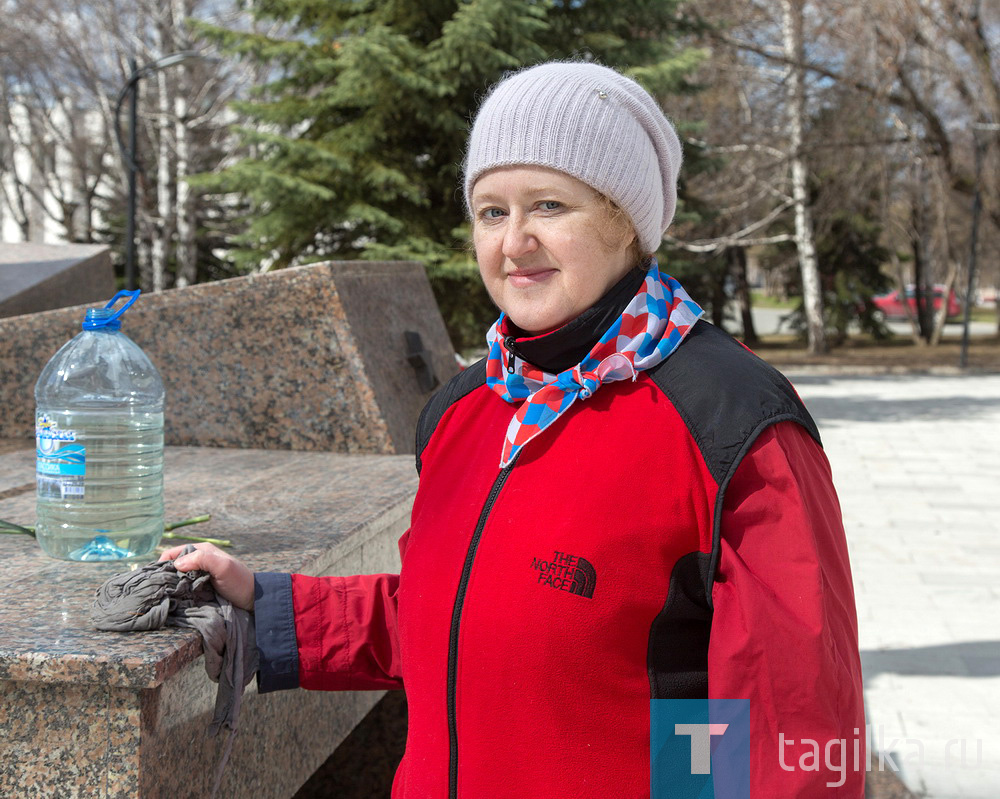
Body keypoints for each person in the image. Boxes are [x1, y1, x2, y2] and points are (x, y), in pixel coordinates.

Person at [162, 61, 865, 797]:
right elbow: (456, 613)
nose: (515, 240)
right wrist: (267, 604)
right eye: (491, 211)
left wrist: (692, 777)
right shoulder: (466, 410)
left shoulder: (730, 419)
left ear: (625, 218)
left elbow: (791, 727)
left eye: (549, 205)